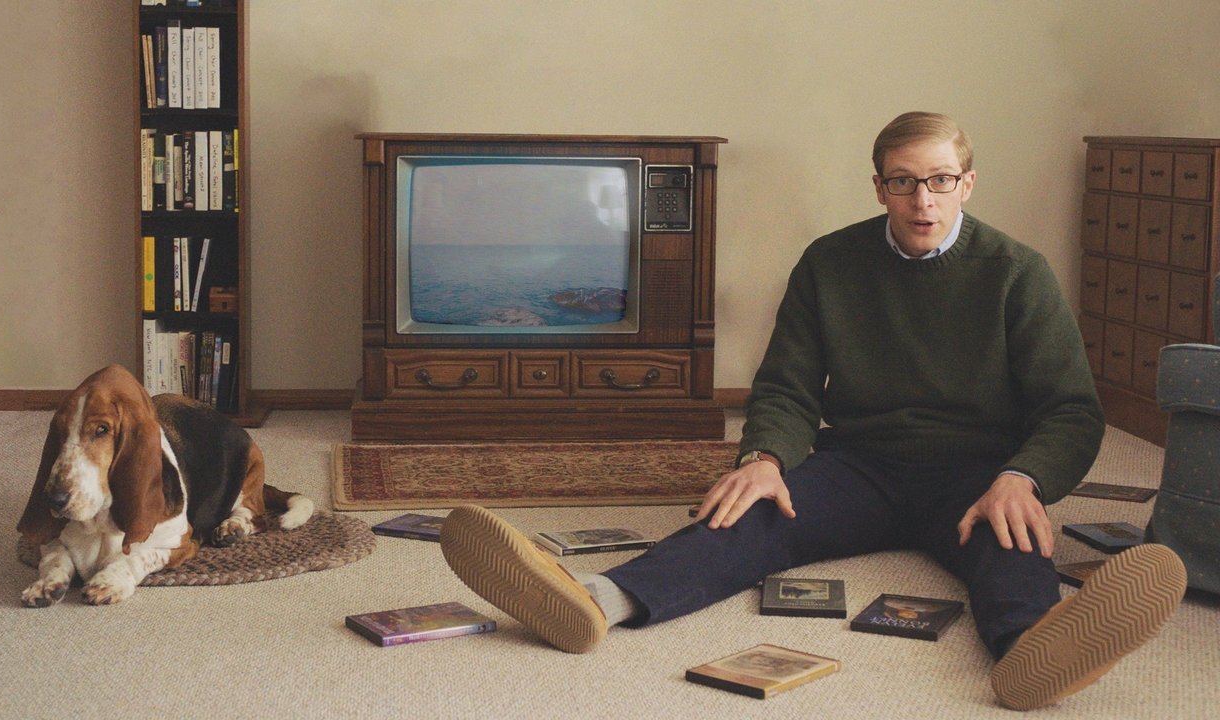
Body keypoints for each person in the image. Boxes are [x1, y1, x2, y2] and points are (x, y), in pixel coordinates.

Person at [438, 111, 1187, 711]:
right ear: (878, 187)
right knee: (746, 517)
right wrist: (764, 457)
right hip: (859, 464)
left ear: (967, 183)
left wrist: (1025, 477)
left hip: (977, 473)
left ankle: (1032, 655)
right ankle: (595, 600)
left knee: (1012, 543)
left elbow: (1070, 409)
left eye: (939, 180)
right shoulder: (830, 262)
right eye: (904, 182)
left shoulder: (1019, 273)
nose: (922, 200)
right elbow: (788, 386)